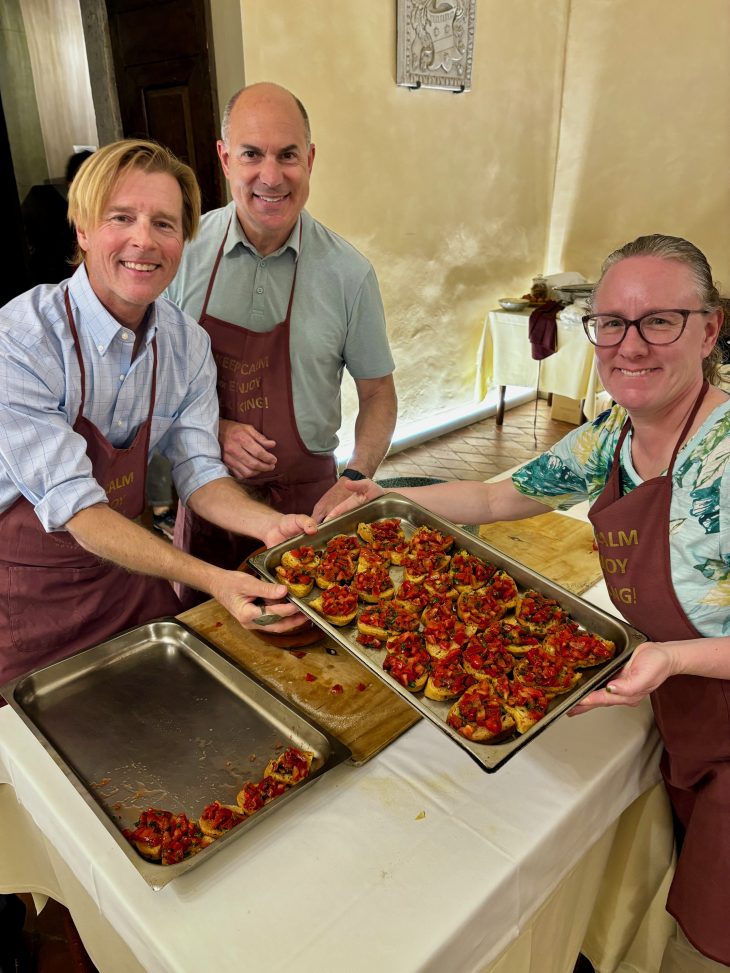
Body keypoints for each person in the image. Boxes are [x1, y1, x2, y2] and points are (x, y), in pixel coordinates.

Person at [329, 234, 730, 972]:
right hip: (684, 712)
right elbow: (497, 492)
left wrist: (671, 654)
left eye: (659, 320)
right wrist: (385, 493)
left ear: (710, 328)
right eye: (610, 322)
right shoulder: (614, 432)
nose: (629, 345)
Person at [0, 138, 316, 688]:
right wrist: (213, 580)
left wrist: (273, 525)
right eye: (121, 217)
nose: (144, 240)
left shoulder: (185, 345)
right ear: (82, 229)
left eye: (165, 224)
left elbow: (200, 474)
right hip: (26, 600)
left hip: (127, 578)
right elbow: (78, 508)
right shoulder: (21, 340)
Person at [166, 81, 397, 605]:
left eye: (288, 155)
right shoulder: (182, 256)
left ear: (310, 159)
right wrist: (215, 428)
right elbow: (157, 388)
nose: (271, 176)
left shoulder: (349, 273)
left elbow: (379, 394)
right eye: (252, 154)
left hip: (309, 511)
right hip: (208, 501)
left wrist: (358, 474)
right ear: (225, 158)